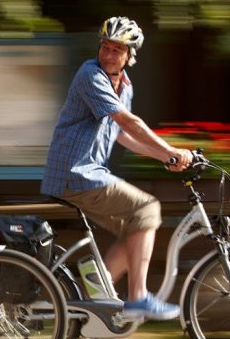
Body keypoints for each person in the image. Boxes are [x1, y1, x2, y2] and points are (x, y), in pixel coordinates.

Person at [41, 16, 193, 320]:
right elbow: (128, 122)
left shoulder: (124, 86)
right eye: (105, 48)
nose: (108, 55)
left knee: (137, 229)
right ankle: (137, 297)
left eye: (117, 50)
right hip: (77, 173)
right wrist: (170, 149)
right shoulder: (90, 75)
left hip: (89, 174)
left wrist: (164, 158)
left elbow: (121, 135)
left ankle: (97, 301)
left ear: (129, 56)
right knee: (147, 209)